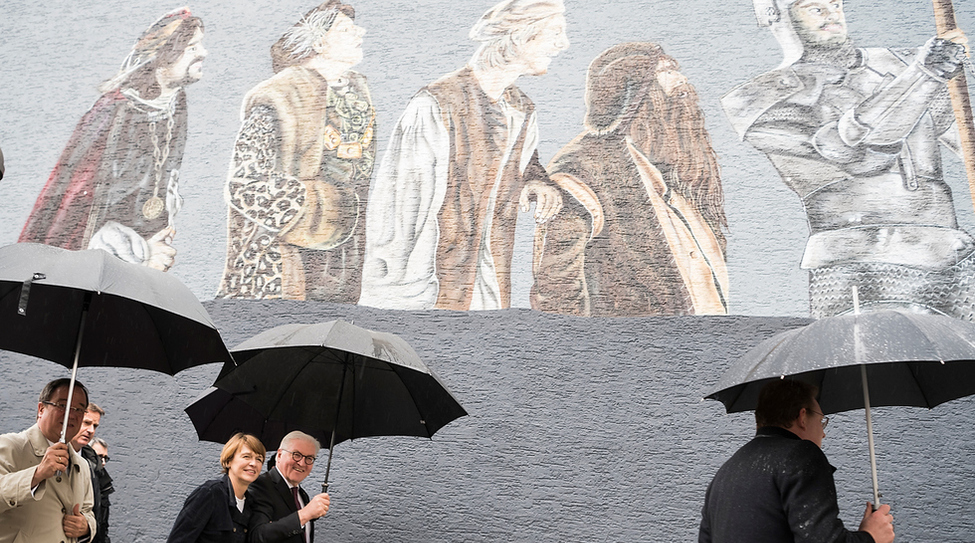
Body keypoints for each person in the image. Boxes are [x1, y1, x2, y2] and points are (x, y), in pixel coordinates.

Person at [722, 0, 972, 318]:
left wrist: (938, 74)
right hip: (861, 267)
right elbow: (859, 154)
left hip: (952, 255)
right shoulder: (756, 99)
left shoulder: (898, 61)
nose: (831, 14)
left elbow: (961, 138)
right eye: (813, 7)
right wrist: (922, 76)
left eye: (835, 3)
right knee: (869, 363)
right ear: (774, 15)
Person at [358, 0, 568, 310]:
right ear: (521, 36)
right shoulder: (436, 104)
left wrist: (534, 181)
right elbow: (401, 215)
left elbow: (520, 163)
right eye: (555, 33)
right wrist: (399, 299)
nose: (563, 45)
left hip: (487, 285)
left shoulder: (521, 108)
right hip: (426, 291)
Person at [690, 378, 896, 543]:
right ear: (802, 417)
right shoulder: (802, 455)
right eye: (821, 422)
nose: (822, 433)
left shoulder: (727, 472)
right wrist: (870, 539)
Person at [531, 42, 729, 316]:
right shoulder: (584, 167)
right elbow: (557, 286)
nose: (682, 79)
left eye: (676, 70)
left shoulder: (667, 164)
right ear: (632, 93)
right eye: (666, 72)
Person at [19, 8, 207, 273]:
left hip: (148, 248)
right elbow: (79, 204)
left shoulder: (176, 104)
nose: (203, 53)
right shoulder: (114, 112)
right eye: (192, 47)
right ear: (164, 55)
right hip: (103, 256)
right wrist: (138, 252)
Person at [217, 1, 376, 302]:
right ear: (319, 41)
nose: (360, 32)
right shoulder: (278, 98)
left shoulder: (357, 95)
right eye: (345, 28)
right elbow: (245, 186)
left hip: (343, 266)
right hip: (281, 263)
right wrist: (328, 208)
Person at [0, 379, 96, 543]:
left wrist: (85, 527)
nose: (73, 416)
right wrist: (37, 473)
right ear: (40, 409)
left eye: (80, 409)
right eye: (63, 406)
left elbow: (88, 512)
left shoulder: (82, 466)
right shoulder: (11, 446)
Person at [70, 405, 116, 543]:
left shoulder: (93, 467)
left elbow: (99, 524)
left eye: (95, 425)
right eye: (87, 423)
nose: (91, 429)